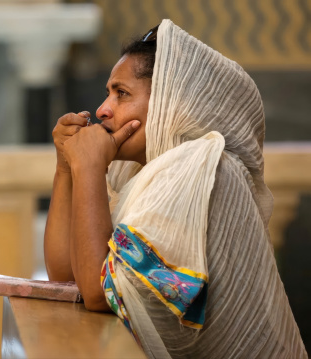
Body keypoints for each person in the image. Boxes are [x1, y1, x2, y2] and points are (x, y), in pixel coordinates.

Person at [44, 19, 307, 358]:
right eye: (108, 93)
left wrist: (90, 167)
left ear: (174, 102)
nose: (102, 110)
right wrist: (66, 167)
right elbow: (66, 274)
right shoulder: (160, 174)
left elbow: (99, 293)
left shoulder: (196, 169)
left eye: (121, 94)